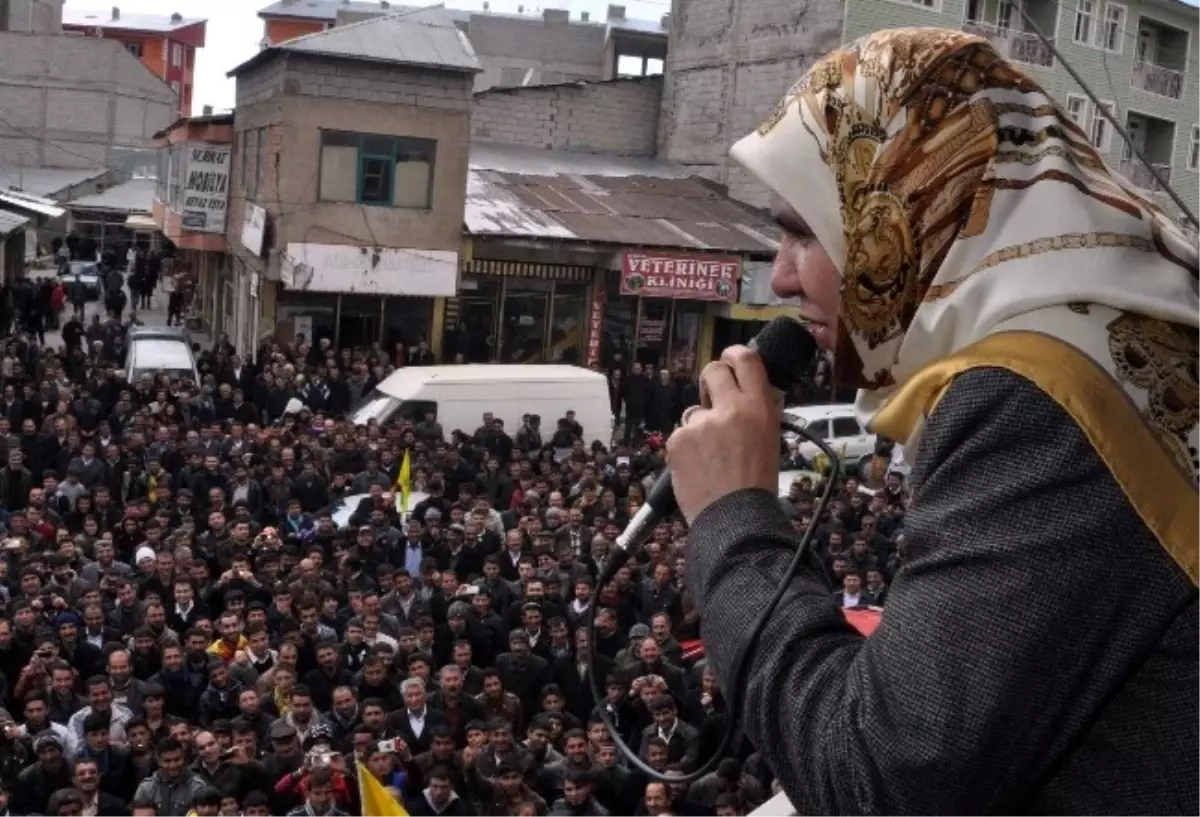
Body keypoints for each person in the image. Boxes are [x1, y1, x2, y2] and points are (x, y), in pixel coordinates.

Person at [667, 28, 1200, 817]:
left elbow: (882, 782)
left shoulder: (1040, 398)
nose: (780, 276)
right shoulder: (1109, 331)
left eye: (804, 228)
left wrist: (731, 519)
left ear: (911, 203)